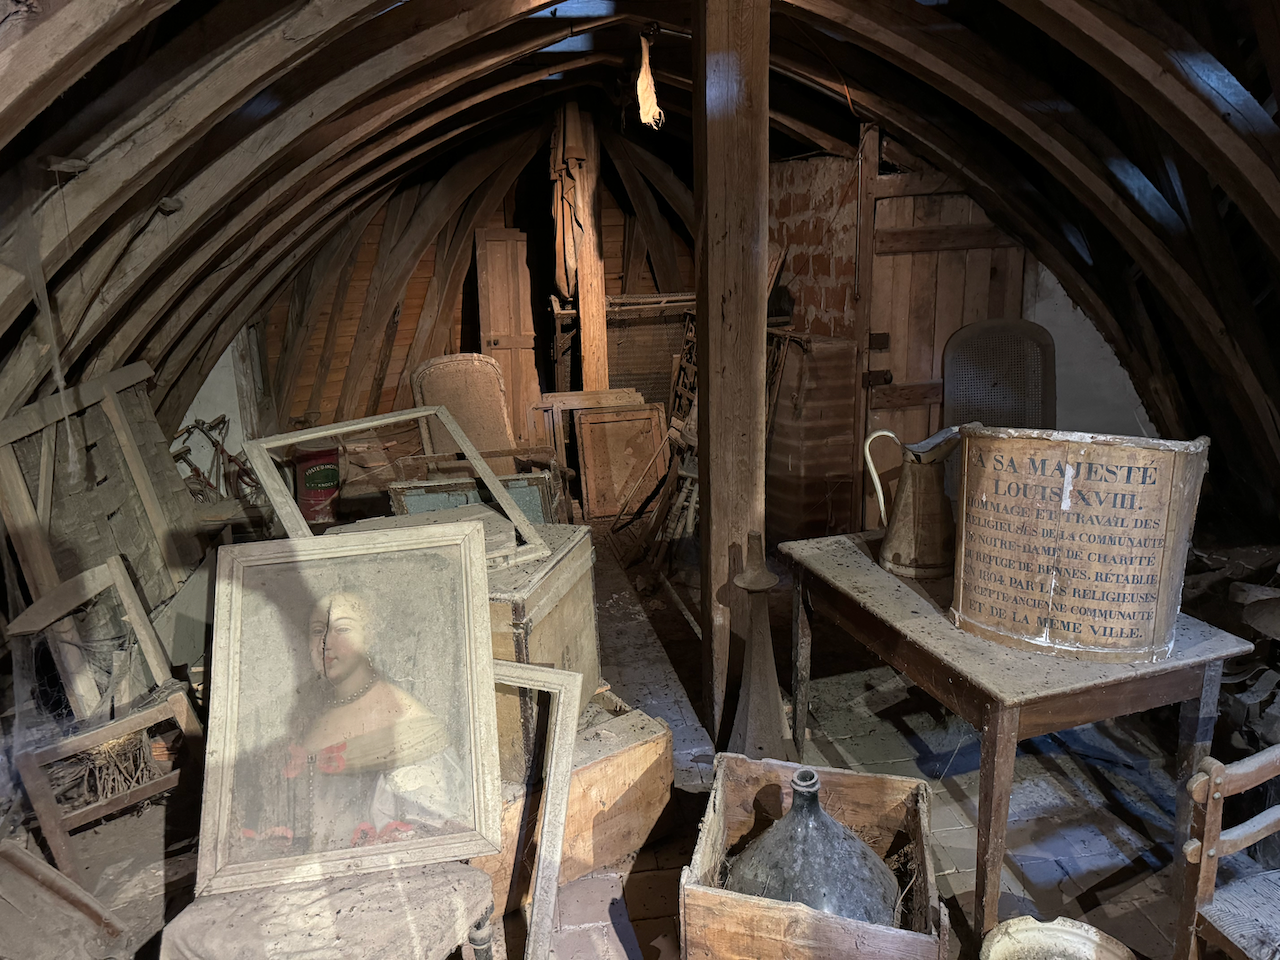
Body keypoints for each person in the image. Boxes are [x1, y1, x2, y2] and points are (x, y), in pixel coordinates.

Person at [235, 591, 469, 859]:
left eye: (343, 629)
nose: (325, 643)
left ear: (369, 638)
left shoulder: (405, 721)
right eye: (317, 631)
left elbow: (423, 836)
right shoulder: (311, 712)